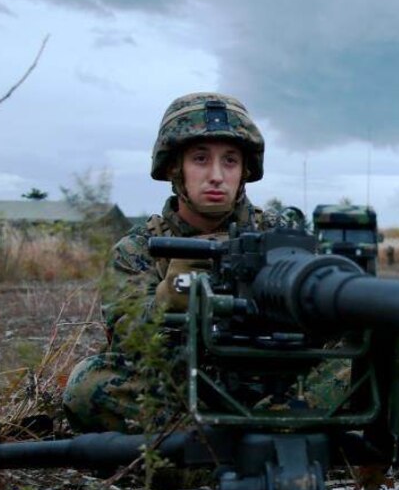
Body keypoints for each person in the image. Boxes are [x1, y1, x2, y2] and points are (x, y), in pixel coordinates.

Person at [63, 92, 277, 431]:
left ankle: (259, 433)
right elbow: (127, 344)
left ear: (245, 170)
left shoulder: (278, 236)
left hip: (273, 386)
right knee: (88, 385)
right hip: (181, 390)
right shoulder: (137, 249)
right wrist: (166, 299)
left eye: (230, 161)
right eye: (201, 159)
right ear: (175, 168)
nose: (217, 176)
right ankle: (243, 444)